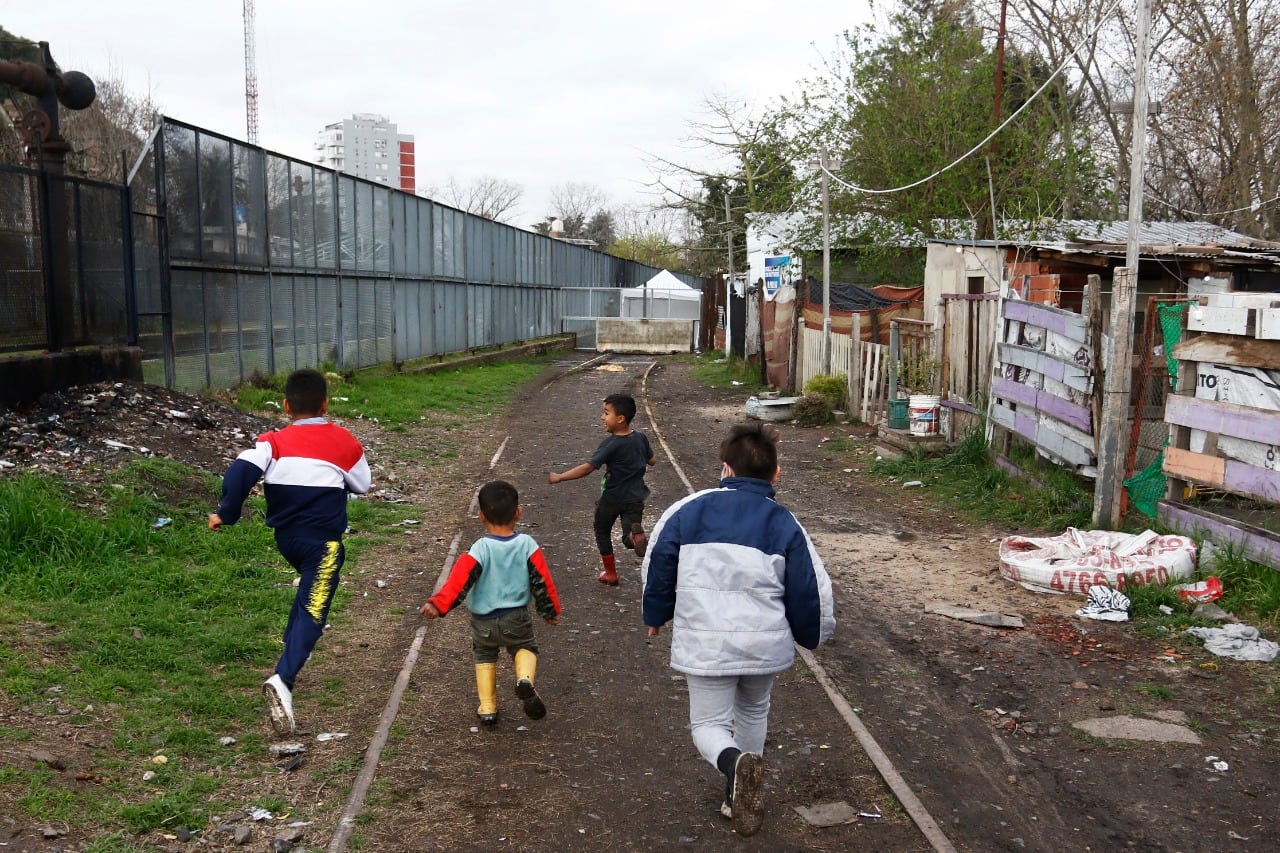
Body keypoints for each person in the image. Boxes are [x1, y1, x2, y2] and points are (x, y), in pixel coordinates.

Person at [641, 422, 835, 837]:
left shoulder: (688, 510)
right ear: (775, 474)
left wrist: (656, 614)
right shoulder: (785, 524)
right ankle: (740, 791)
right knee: (753, 709)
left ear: (725, 469)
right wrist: (809, 635)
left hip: (706, 641)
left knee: (708, 725)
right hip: (765, 645)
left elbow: (658, 565)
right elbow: (807, 588)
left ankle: (732, 766)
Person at [208, 368, 371, 736]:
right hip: (323, 544)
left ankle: (289, 654)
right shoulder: (344, 441)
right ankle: (284, 679)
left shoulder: (272, 441)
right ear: (326, 404)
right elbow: (362, 484)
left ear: (285, 405)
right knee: (314, 610)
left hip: (287, 540)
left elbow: (238, 473)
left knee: (305, 597)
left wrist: (226, 513)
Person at [420, 480, 561, 725]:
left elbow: (460, 580)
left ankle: (488, 708)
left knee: (484, 656)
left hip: (483, 622)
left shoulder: (480, 548)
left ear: (481, 516)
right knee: (525, 647)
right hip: (516, 617)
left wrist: (438, 604)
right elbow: (542, 580)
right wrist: (548, 610)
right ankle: (524, 679)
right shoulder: (527, 545)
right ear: (518, 512)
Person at [548, 393, 656, 586]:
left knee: (602, 530)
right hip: (636, 497)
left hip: (612, 498)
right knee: (627, 534)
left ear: (620, 418)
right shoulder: (640, 437)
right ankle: (635, 537)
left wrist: (560, 477)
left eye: (606, 413)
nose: (602, 417)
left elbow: (588, 467)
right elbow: (652, 460)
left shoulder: (611, 444)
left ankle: (611, 573)